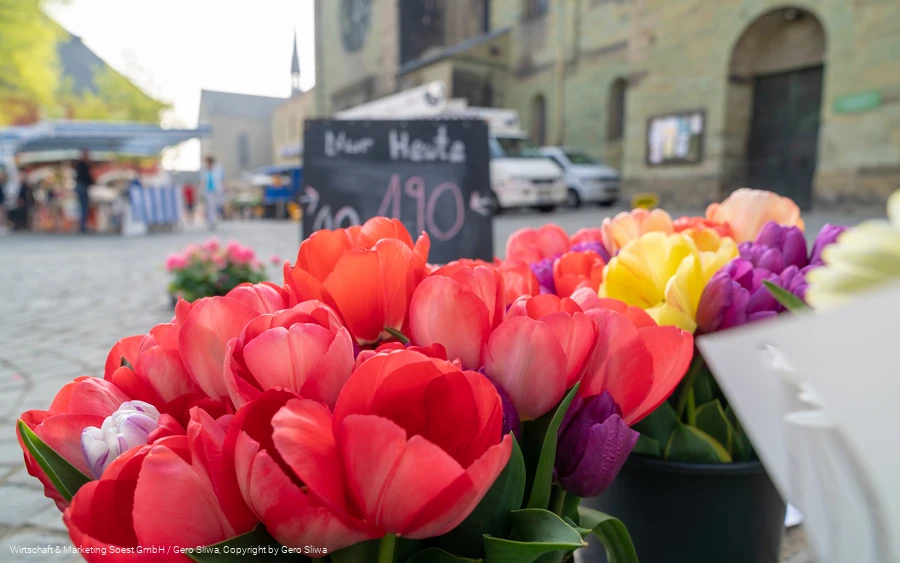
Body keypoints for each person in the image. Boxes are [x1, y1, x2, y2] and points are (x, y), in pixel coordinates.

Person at [199, 155, 224, 230]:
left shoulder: (218, 168)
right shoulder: (204, 170)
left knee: (216, 205)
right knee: (210, 206)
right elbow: (203, 181)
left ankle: (214, 219)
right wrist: (200, 189)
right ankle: (211, 221)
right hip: (208, 190)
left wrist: (224, 188)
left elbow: (222, 179)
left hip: (217, 189)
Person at [74, 150, 94, 233]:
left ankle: (82, 225)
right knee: (84, 207)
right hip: (82, 187)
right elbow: (86, 177)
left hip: (81, 187)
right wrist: (92, 182)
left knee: (83, 207)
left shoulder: (80, 165)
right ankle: (82, 226)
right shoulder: (82, 165)